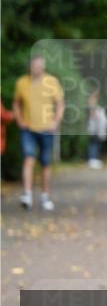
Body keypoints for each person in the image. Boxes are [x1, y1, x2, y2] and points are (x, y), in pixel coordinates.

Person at [13, 56, 65, 212]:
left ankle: (45, 196)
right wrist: (19, 120)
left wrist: (55, 122)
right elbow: (16, 103)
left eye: (39, 66)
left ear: (43, 67)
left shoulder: (52, 82)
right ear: (30, 66)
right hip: (28, 129)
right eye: (34, 66)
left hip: (46, 129)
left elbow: (60, 104)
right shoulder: (22, 82)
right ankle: (27, 195)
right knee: (28, 159)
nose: (36, 68)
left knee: (45, 164)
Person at [86, 88, 107, 169]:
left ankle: (94, 159)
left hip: (97, 127)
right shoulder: (92, 102)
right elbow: (93, 114)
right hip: (95, 127)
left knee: (96, 143)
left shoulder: (94, 103)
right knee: (94, 144)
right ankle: (92, 160)